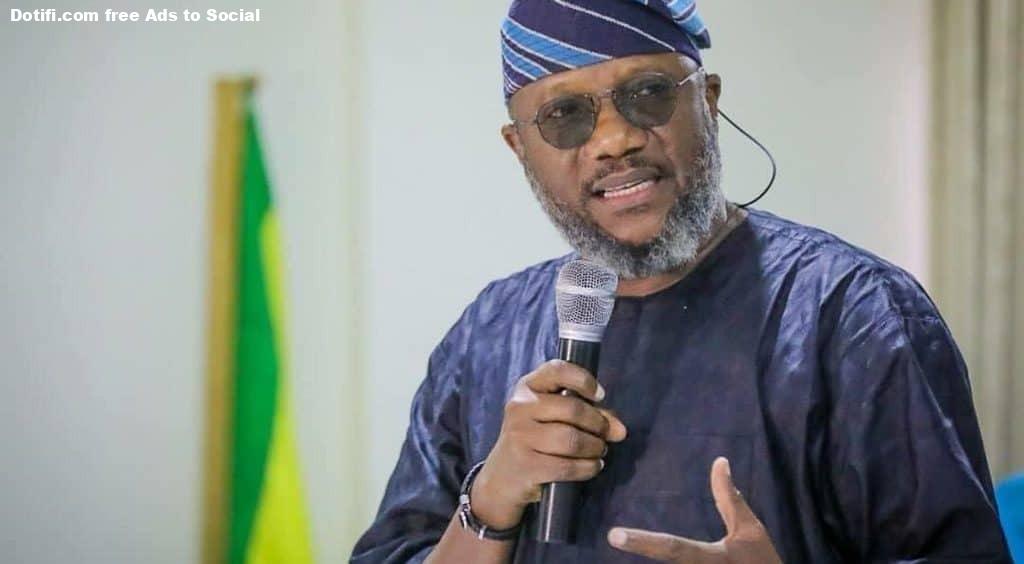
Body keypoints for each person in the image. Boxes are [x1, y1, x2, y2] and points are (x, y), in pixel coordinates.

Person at [351, 1, 1012, 562]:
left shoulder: (852, 314)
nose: (614, 140)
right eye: (566, 116)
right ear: (519, 148)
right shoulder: (486, 335)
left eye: (647, 94)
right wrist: (489, 501)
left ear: (709, 102)